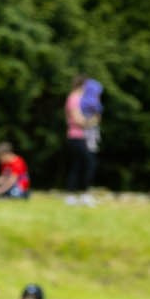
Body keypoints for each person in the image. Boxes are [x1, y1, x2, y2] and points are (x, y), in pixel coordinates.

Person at [64, 74, 100, 204]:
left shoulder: (84, 99)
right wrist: (93, 120)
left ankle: (75, 194)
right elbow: (78, 120)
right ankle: (80, 194)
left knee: (79, 165)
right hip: (77, 136)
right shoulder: (74, 98)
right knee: (88, 164)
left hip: (84, 137)